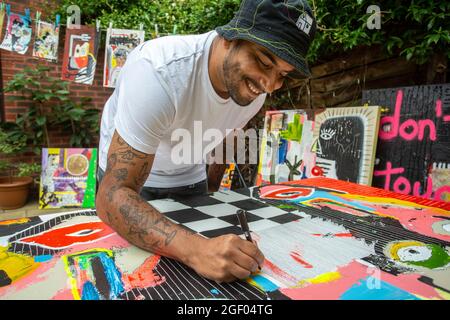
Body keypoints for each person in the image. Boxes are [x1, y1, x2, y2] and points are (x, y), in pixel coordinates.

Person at [96, 0, 316, 283]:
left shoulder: (254, 91)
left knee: (198, 280)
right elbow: (112, 196)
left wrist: (212, 190)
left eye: (282, 75)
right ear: (228, 38)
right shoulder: (159, 71)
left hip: (189, 175)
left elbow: (229, 135)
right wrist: (197, 250)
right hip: (131, 183)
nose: (269, 85)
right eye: (264, 61)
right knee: (135, 277)